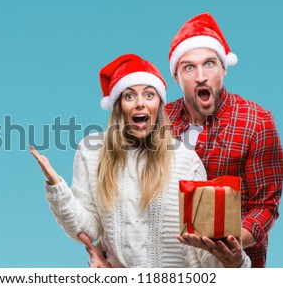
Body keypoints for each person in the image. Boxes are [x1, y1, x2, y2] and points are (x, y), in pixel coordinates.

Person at [30, 54, 250, 268]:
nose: (139, 104)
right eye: (129, 96)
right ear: (118, 107)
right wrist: (56, 186)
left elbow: (202, 249)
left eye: (149, 95)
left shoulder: (184, 160)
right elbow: (87, 231)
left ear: (159, 105)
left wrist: (234, 262)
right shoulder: (92, 152)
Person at [166, 13, 283, 268]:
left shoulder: (258, 121)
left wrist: (234, 243)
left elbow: (265, 206)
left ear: (223, 68)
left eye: (209, 64)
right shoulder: (159, 122)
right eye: (189, 67)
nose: (200, 76)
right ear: (176, 76)